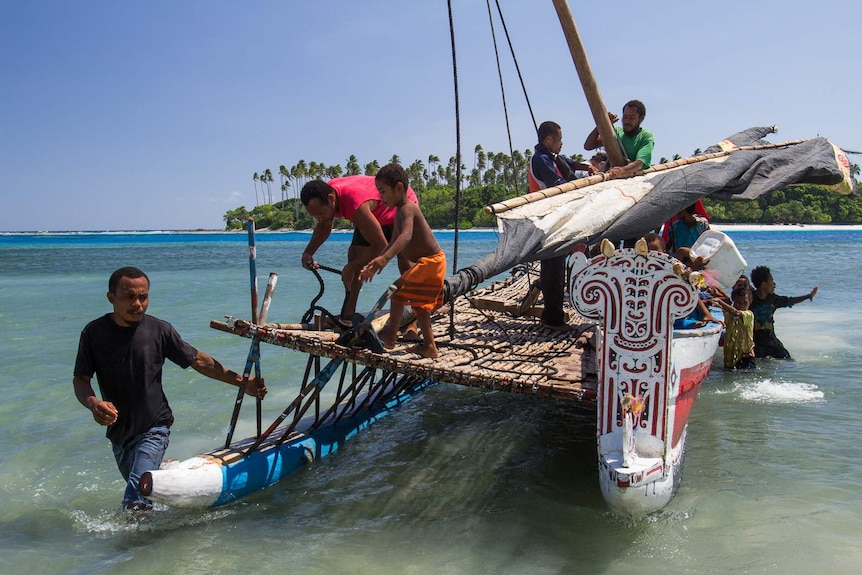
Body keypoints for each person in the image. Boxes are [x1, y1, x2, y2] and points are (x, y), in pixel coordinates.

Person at [73, 267, 267, 511]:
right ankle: (166, 472)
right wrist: (94, 404)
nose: (137, 304)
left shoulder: (159, 330)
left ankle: (138, 547)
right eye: (129, 297)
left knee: (135, 503)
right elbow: (81, 379)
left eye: (143, 297)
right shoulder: (94, 333)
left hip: (154, 429)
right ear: (111, 297)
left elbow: (199, 361)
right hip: (119, 435)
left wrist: (243, 383)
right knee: (147, 495)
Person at [300, 175, 419, 321]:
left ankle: (414, 319)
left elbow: (381, 246)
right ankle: (348, 315)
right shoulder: (327, 194)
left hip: (399, 205)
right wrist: (308, 252)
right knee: (355, 255)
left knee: (404, 260)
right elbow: (324, 225)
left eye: (320, 214)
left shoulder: (355, 205)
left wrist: (351, 267)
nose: (319, 219)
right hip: (374, 212)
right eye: (315, 216)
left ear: (331, 199)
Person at [359, 164, 446, 359]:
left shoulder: (408, 209)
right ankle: (429, 347)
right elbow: (392, 243)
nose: (381, 197)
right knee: (419, 306)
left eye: (383, 192)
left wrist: (384, 259)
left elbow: (405, 237)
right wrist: (374, 264)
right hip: (428, 263)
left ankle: (390, 340)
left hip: (431, 262)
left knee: (397, 293)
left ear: (399, 188)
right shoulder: (398, 212)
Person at [528, 120, 597, 331]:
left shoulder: (551, 157)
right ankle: (552, 318)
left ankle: (553, 313)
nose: (562, 143)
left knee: (555, 267)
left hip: (556, 220)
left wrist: (585, 166)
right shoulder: (541, 160)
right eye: (559, 139)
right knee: (553, 269)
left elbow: (569, 162)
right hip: (547, 221)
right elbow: (559, 185)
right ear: (549, 140)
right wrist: (589, 185)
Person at [749, 265, 818, 359]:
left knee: (789, 361)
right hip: (756, 344)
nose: (774, 284)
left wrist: (808, 296)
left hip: (771, 341)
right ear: (764, 284)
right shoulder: (749, 299)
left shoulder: (773, 299)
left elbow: (790, 301)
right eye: (772, 281)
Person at [584, 99, 654, 179]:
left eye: (631, 118)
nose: (627, 121)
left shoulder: (645, 136)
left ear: (640, 119)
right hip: (612, 176)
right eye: (625, 117)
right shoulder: (616, 132)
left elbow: (640, 163)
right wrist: (603, 123)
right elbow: (588, 146)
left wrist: (622, 170)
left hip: (634, 179)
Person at [714, 284, 756, 370]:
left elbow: (736, 313)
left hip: (746, 358)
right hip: (729, 360)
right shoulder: (727, 315)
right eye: (738, 303)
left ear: (750, 301)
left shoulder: (749, 314)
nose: (742, 305)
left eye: (745, 303)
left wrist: (720, 301)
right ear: (734, 301)